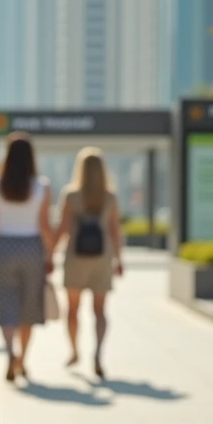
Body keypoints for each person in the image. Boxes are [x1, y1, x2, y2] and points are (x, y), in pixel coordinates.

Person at [0, 134, 54, 381]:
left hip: (3, 246)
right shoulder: (42, 185)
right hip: (32, 247)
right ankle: (22, 358)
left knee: (6, 304)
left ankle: (9, 353)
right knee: (29, 307)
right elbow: (45, 225)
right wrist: (51, 254)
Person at [56, 146, 123, 379]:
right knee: (100, 311)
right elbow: (115, 231)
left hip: (76, 256)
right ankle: (98, 354)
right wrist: (119, 259)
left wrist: (49, 253)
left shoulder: (71, 195)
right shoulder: (110, 197)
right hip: (102, 257)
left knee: (72, 310)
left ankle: (74, 350)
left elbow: (63, 228)